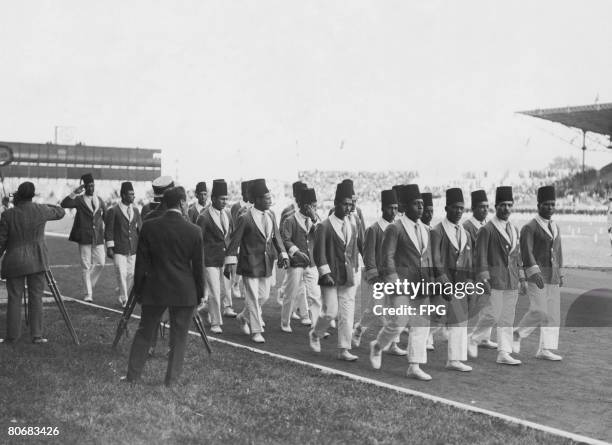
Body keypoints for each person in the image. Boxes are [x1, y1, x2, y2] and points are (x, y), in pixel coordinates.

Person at [124, 186, 204, 387]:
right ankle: (172, 380)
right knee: (179, 337)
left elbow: (141, 264)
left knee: (144, 332)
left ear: (165, 203)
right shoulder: (194, 231)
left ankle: (132, 376)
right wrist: (200, 294)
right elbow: (198, 269)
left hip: (155, 288)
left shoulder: (149, 227)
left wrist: (140, 291)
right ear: (182, 203)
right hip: (184, 291)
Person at [368, 184, 434, 381]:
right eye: (416, 204)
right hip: (400, 284)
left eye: (422, 204)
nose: (421, 208)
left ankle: (414, 365)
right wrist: (394, 282)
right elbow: (386, 258)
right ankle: (378, 345)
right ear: (405, 206)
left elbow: (426, 257)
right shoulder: (394, 228)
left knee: (421, 324)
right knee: (399, 323)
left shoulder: (425, 229)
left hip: (420, 284)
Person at [224, 178, 289, 343]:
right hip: (249, 263)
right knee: (252, 297)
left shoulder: (271, 216)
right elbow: (234, 241)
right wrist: (230, 262)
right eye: (267, 198)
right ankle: (256, 331)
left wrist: (283, 254)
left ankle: (242, 317)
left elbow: (276, 237)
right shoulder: (244, 217)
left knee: (264, 296)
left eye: (270, 197)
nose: (270, 201)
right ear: (257, 199)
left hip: (266, 263)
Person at [0, 182, 65, 343]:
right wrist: (41, 203)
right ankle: (37, 335)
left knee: (14, 298)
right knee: (36, 297)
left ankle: (12, 336)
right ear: (33, 195)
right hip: (37, 259)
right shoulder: (41, 209)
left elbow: (1, 241)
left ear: (19, 195)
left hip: (14, 261)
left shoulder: (8, 214)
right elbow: (61, 211)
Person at [469, 186, 526, 365]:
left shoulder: (514, 229)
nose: (507, 208)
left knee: (507, 317)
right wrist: (484, 278)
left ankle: (504, 352)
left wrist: (522, 278)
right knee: (492, 314)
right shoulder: (487, 229)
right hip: (494, 279)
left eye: (509, 205)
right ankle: (473, 338)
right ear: (496, 206)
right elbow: (480, 256)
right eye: (503, 205)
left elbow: (518, 255)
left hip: (511, 279)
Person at [309, 181, 361, 362]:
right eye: (345, 204)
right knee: (330, 312)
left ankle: (343, 349)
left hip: (347, 276)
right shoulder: (324, 226)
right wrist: (325, 273)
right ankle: (316, 334)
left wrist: (354, 268)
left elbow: (352, 249)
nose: (348, 207)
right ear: (336, 203)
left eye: (350, 204)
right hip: (330, 277)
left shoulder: (352, 224)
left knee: (347, 313)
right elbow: (319, 253)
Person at [352, 189, 406, 356]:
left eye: (396, 208)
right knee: (376, 309)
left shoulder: (398, 229)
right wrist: (374, 277)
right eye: (390, 208)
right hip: (376, 278)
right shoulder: (373, 230)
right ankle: (359, 328)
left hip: (392, 276)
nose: (394, 212)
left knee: (394, 310)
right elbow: (368, 256)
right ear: (383, 208)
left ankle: (393, 344)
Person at [513, 185, 564, 361]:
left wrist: (560, 273)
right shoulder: (530, 227)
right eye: (546, 204)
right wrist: (532, 273)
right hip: (537, 276)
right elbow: (526, 252)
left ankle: (545, 349)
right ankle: (518, 333)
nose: (550, 207)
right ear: (538, 205)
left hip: (553, 276)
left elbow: (558, 251)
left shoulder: (555, 226)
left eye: (552, 204)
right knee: (540, 310)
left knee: (552, 314)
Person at [430, 188, 473, 372]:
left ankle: (454, 359)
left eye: (461, 208)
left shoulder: (465, 233)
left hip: (460, 283)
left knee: (459, 321)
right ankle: (418, 341)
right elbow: (435, 258)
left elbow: (468, 259)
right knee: (435, 319)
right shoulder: (437, 231)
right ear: (446, 208)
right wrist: (442, 280)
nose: (458, 211)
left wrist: (469, 280)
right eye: (455, 208)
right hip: (443, 284)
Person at [196, 179, 236, 334]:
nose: (224, 201)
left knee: (224, 291)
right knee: (214, 290)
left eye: (226, 198)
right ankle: (215, 322)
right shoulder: (204, 216)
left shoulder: (227, 214)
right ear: (213, 199)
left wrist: (231, 258)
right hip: (210, 260)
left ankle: (206, 308)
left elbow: (230, 237)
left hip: (224, 259)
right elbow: (198, 241)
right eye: (221, 198)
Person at [280, 187, 321, 332]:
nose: (316, 209)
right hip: (296, 263)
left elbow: (321, 235)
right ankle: (285, 322)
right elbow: (286, 240)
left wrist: (314, 218)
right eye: (314, 206)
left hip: (311, 263)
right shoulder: (290, 220)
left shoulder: (315, 219)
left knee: (315, 295)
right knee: (290, 294)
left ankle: (316, 325)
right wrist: (296, 252)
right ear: (306, 206)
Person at [61, 173, 106, 302]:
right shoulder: (79, 200)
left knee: (101, 263)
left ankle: (89, 284)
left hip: (98, 237)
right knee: (86, 266)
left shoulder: (100, 199)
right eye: (89, 186)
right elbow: (64, 204)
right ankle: (88, 294)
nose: (91, 188)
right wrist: (74, 192)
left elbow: (106, 215)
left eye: (93, 185)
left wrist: (108, 235)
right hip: (84, 237)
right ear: (84, 187)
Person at [463, 190, 496, 349]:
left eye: (487, 207)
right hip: (473, 275)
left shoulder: (488, 226)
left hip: (487, 273)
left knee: (491, 307)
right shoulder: (467, 227)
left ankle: (482, 338)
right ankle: (429, 333)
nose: (485, 210)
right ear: (473, 208)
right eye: (481, 207)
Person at [105, 181, 142, 307]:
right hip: (119, 249)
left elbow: (139, 229)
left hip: (133, 248)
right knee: (121, 273)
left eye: (133, 194)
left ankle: (122, 291)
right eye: (130, 194)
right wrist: (110, 247)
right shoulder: (113, 211)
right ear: (123, 195)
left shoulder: (136, 211)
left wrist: (142, 246)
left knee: (132, 274)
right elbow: (109, 230)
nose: (133, 196)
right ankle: (124, 299)